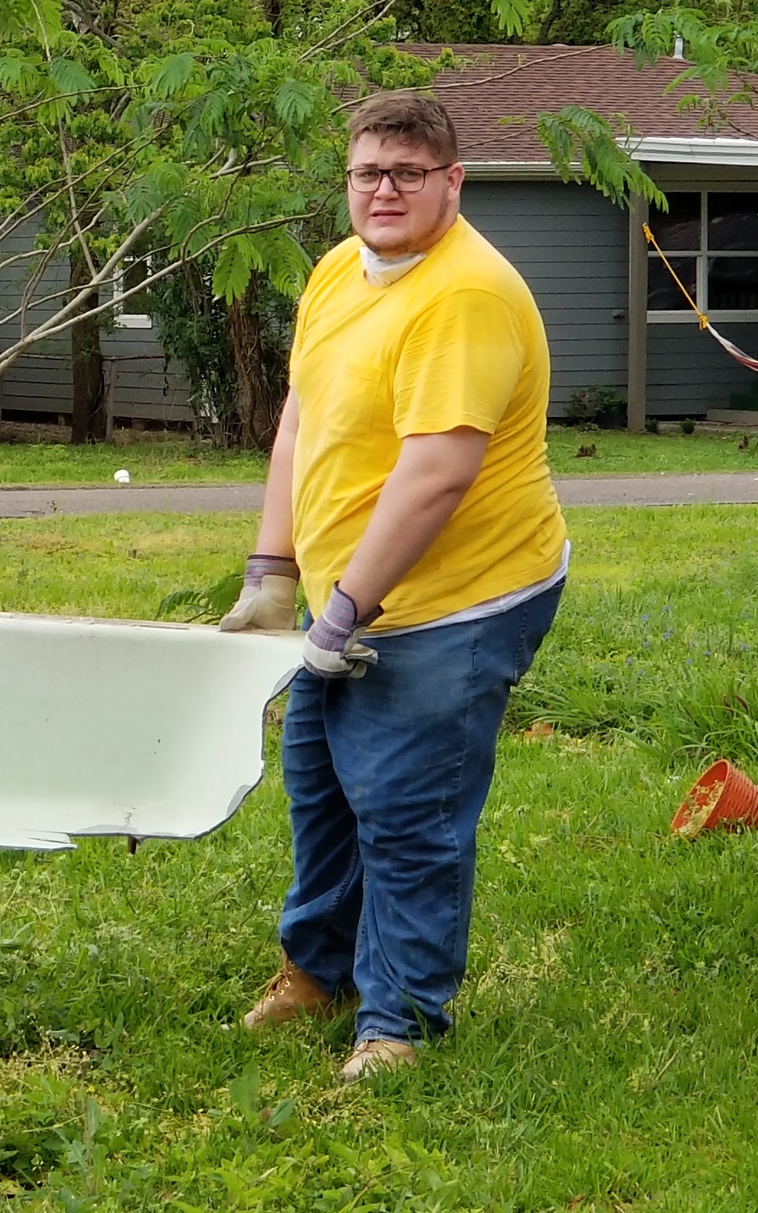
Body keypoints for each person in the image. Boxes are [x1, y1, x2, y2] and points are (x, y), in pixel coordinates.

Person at [219, 91, 567, 1082]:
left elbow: (437, 476)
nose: (385, 190)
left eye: (409, 174)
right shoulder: (339, 270)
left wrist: (344, 613)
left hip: (457, 596)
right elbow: (301, 419)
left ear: (452, 181)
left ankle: (399, 1024)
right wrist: (272, 571)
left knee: (407, 807)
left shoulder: (463, 296)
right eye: (369, 171)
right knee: (322, 789)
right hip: (351, 589)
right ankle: (316, 973)